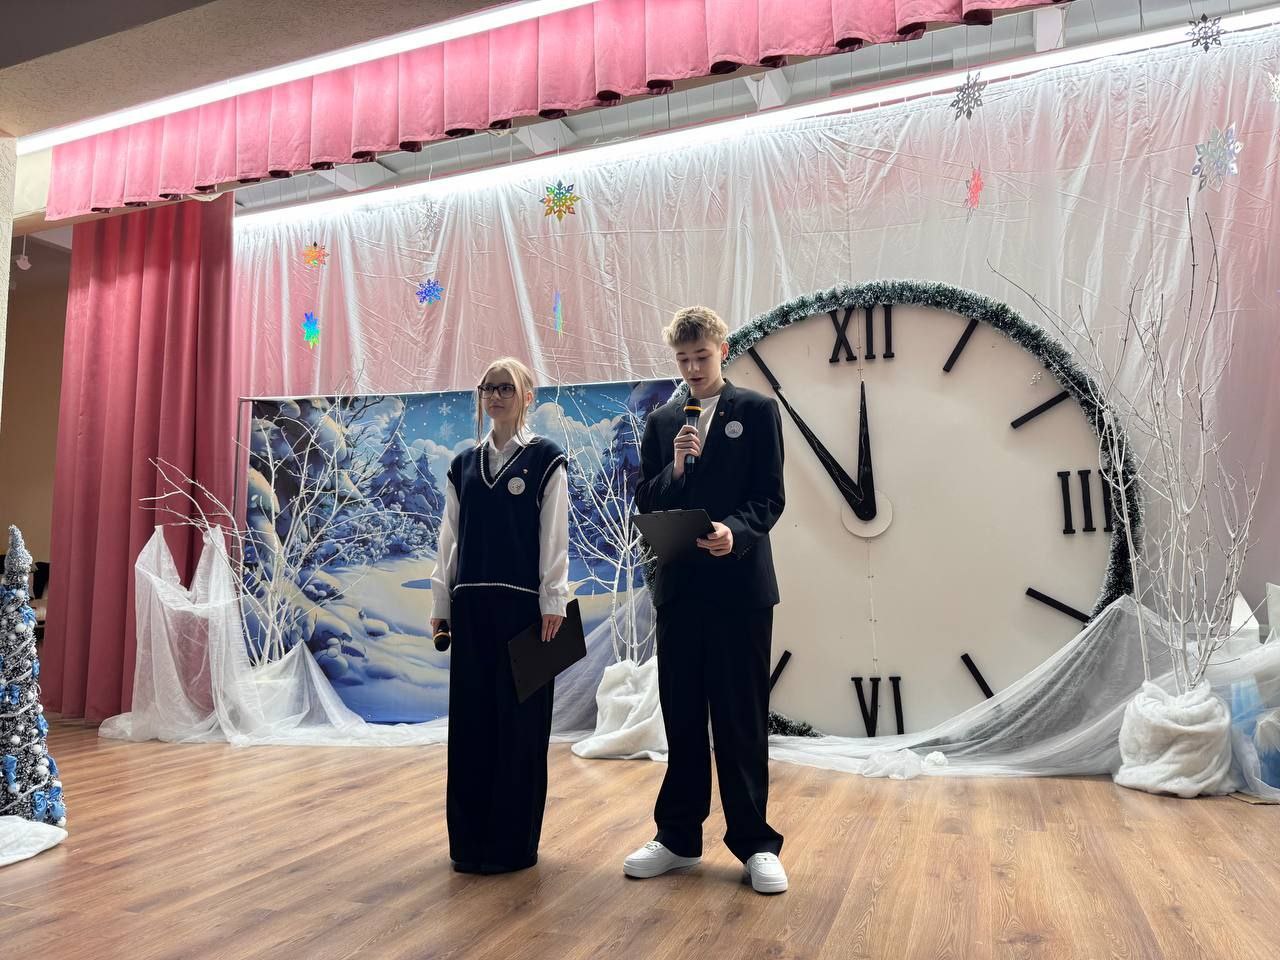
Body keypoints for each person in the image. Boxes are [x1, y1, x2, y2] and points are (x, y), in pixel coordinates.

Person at [623, 306, 789, 894]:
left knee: (740, 719)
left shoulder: (757, 411)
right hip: (681, 590)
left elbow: (770, 497)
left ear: (722, 349)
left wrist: (733, 532)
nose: (693, 368)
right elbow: (646, 500)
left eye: (701, 356)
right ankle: (677, 838)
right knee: (684, 716)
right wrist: (674, 468)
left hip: (740, 589)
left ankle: (755, 843)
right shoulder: (664, 421)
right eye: (683, 359)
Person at [430, 357, 569, 874]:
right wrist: (441, 604)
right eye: (488, 387)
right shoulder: (463, 465)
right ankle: (469, 844)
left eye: (506, 387)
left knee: (520, 730)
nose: (495, 395)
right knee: (472, 727)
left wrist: (553, 600)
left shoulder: (546, 459)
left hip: (525, 612)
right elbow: (449, 539)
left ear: (527, 395)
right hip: (471, 610)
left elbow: (555, 537)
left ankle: (513, 846)